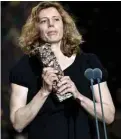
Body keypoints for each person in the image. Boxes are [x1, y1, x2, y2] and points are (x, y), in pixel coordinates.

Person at [9, 2, 115, 139]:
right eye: (44, 21)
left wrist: (78, 96)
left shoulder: (88, 63)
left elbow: (109, 116)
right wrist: (44, 91)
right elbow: (17, 124)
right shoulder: (24, 67)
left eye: (56, 19)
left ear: (64, 25)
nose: (51, 24)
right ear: (36, 29)